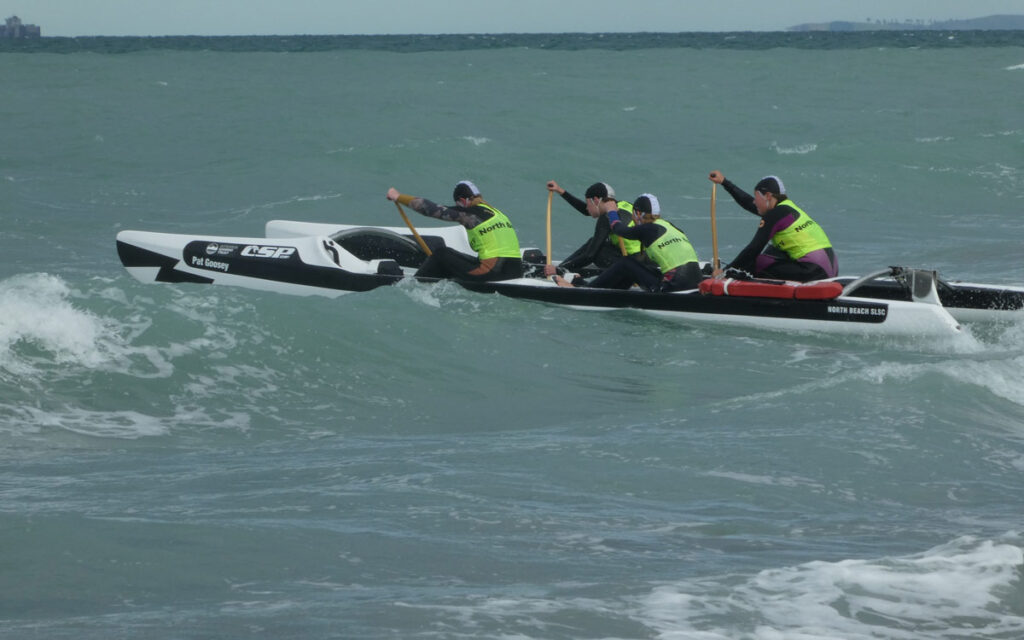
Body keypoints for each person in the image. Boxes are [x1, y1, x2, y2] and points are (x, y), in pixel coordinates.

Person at [553, 193, 703, 292]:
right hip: (694, 283)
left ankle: (588, 291)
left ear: (638, 213)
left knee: (626, 263)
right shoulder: (670, 226)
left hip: (672, 287)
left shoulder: (647, 228)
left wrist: (611, 211)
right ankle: (612, 292)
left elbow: (619, 230)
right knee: (634, 265)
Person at [708, 171, 837, 281]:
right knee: (772, 251)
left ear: (768, 196)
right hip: (830, 269)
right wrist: (724, 182)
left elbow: (753, 248)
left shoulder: (775, 214)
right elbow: (748, 203)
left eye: (756, 197)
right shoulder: (787, 209)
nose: (754, 201)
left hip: (813, 271)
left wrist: (725, 271)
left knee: (757, 262)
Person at [385, 180, 522, 282]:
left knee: (441, 254)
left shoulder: (469, 214)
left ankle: (414, 287)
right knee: (460, 260)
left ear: (462, 201)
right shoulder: (499, 214)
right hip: (515, 273)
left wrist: (398, 196)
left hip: (492, 274)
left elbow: (429, 209)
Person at [542, 180, 644, 277]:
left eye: (588, 203)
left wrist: (559, 270)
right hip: (644, 259)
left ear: (596, 200)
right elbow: (588, 211)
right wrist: (561, 191)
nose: (587, 207)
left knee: (597, 252)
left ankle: (560, 272)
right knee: (595, 244)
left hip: (633, 265)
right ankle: (563, 270)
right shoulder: (622, 205)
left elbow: (590, 255)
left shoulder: (606, 218)